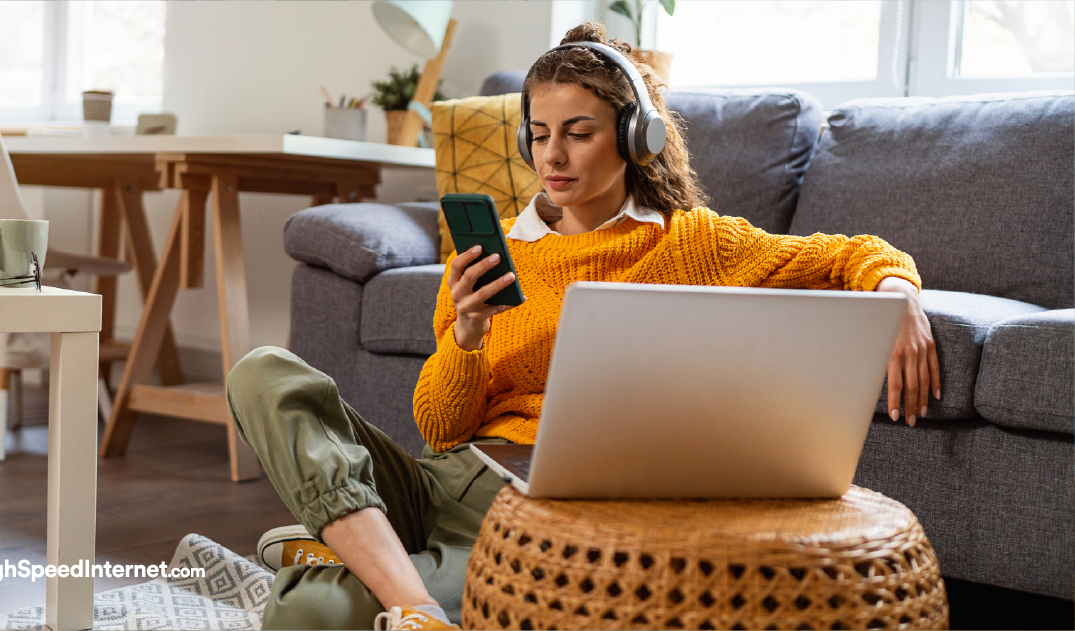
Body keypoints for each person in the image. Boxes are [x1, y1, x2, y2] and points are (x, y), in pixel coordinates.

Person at [226, 21, 940, 631]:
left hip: (523, 518)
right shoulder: (496, 248)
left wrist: (899, 293)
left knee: (311, 614)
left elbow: (845, 255)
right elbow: (440, 427)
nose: (552, 157)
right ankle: (407, 593)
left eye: (577, 133)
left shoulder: (690, 244)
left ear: (635, 137)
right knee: (263, 370)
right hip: (441, 477)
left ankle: (345, 544)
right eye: (538, 135)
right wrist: (466, 337)